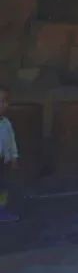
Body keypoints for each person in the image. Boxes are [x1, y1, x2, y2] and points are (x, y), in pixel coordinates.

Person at [0, 85, 19, 222]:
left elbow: (12, 141)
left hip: (3, 161)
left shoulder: (6, 123)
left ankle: (2, 211)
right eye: (1, 101)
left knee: (4, 187)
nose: (4, 104)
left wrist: (14, 157)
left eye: (6, 101)